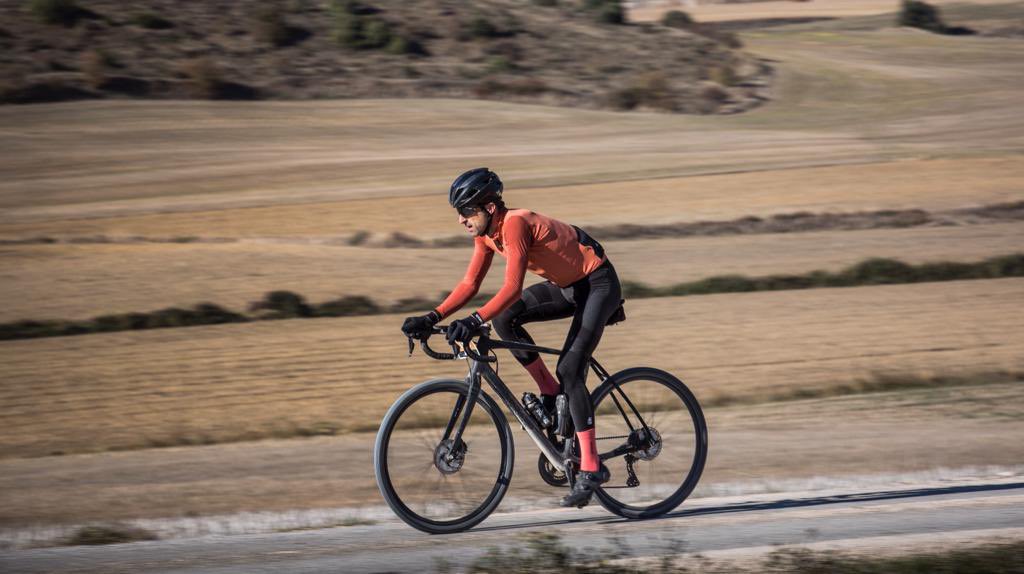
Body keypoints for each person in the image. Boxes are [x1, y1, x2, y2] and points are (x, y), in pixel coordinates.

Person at [401, 167, 624, 508]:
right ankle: (550, 394)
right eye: (458, 213)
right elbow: (470, 285)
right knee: (507, 318)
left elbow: (511, 287)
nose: (461, 220)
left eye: (466, 212)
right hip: (568, 287)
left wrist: (474, 320)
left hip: (598, 284)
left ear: (489, 207)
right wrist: (432, 316)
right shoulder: (486, 235)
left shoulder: (515, 223)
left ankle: (592, 468)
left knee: (571, 369)